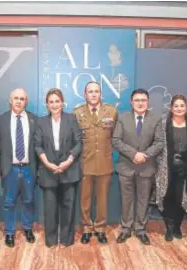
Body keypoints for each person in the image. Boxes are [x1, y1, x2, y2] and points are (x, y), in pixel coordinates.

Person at [112, 88, 164, 245]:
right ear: (131, 102)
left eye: (143, 100)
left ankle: (140, 229)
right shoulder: (122, 118)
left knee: (143, 200)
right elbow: (116, 140)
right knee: (126, 200)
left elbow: (160, 142)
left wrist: (145, 155)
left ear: (148, 102)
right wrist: (134, 154)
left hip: (146, 167)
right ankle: (126, 228)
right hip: (126, 166)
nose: (140, 103)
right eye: (137, 100)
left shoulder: (156, 119)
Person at [34, 88, 82, 248]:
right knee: (50, 208)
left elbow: (78, 143)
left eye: (57, 101)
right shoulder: (41, 122)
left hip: (69, 169)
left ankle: (67, 240)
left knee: (68, 207)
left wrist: (68, 161)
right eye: (51, 102)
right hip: (48, 171)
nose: (54, 104)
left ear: (62, 103)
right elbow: (38, 146)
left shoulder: (72, 119)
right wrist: (47, 164)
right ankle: (51, 240)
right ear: (47, 105)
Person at [72, 81, 118, 245]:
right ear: (85, 94)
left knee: (102, 199)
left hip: (105, 163)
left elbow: (115, 137)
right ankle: (86, 228)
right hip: (85, 163)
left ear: (100, 94)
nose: (93, 94)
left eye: (96, 91)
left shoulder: (111, 112)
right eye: (90, 91)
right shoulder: (77, 113)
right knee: (85, 199)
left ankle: (100, 228)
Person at [152, 94, 187, 242]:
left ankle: (178, 226)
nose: (179, 108)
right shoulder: (162, 123)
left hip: (185, 169)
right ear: (171, 108)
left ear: (186, 107)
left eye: (182, 106)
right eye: (176, 106)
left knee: (182, 199)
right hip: (166, 169)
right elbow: (157, 145)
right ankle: (169, 227)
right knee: (168, 198)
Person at [0, 88, 38, 248]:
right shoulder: (1, 119)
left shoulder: (34, 119)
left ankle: (27, 228)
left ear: (26, 101)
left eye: (22, 98)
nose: (19, 101)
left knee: (29, 200)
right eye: (16, 98)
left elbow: (39, 146)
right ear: (10, 100)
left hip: (28, 168)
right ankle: (10, 232)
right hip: (9, 168)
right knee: (9, 202)